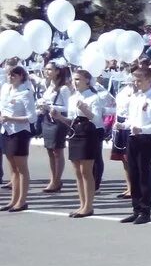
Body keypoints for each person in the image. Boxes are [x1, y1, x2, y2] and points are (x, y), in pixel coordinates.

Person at [57, 68, 105, 218]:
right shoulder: (72, 97)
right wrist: (59, 117)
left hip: (88, 133)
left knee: (86, 171)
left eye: (78, 79)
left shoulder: (94, 97)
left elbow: (97, 120)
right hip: (75, 132)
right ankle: (82, 204)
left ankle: (88, 206)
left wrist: (85, 109)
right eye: (74, 79)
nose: (75, 82)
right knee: (77, 171)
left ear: (87, 81)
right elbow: (71, 119)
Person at [120, 62, 151, 225]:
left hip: (145, 139)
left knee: (144, 174)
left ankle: (145, 211)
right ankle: (136, 209)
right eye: (135, 80)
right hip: (133, 138)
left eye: (139, 80)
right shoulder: (135, 97)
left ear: (148, 80)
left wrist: (142, 129)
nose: (136, 83)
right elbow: (131, 119)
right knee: (133, 173)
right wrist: (123, 125)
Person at [1, 65, 38, 212]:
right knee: (12, 168)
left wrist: (11, 118)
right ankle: (13, 200)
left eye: (14, 75)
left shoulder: (26, 93)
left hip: (19, 131)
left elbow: (32, 118)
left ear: (21, 76)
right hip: (6, 130)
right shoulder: (5, 89)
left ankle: (21, 201)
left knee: (21, 167)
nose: (10, 77)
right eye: (9, 74)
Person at [36, 61, 72, 194]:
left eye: (50, 69)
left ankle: (57, 180)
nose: (47, 72)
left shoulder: (63, 88)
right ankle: (53, 178)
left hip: (58, 121)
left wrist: (51, 107)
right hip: (47, 119)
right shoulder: (49, 86)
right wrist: (41, 105)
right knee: (50, 150)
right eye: (46, 69)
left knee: (57, 151)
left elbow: (67, 107)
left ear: (57, 71)